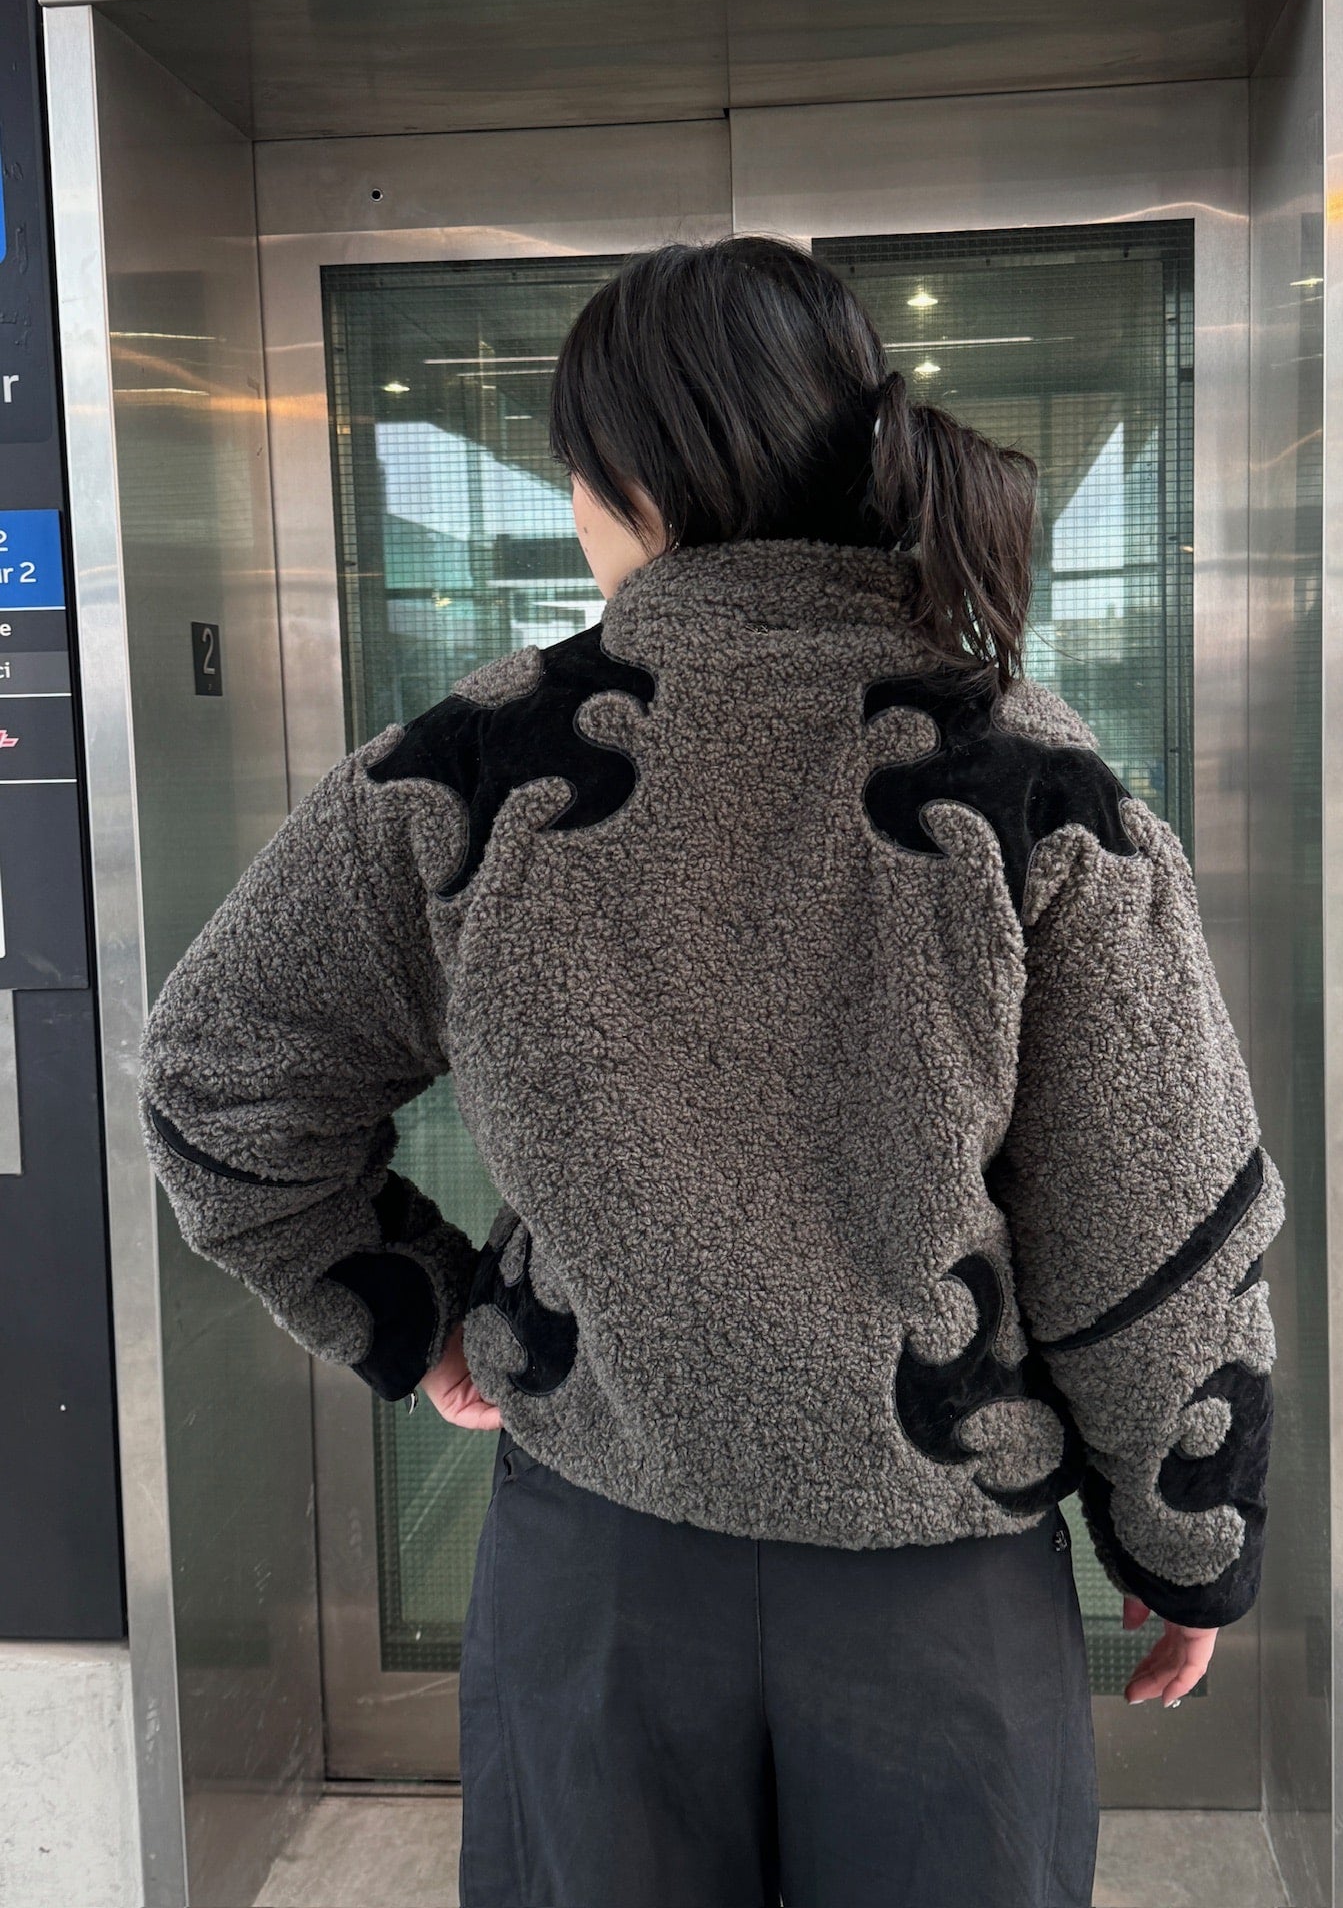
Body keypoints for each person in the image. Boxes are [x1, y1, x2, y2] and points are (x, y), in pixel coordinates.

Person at [137, 235, 1283, 1908]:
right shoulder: (1041, 784)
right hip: (942, 1593)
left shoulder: (467, 763)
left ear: (626, 483)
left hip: (592, 1562)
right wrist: (1191, 1543)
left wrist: (416, 1310)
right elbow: (1154, 1214)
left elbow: (215, 1081)